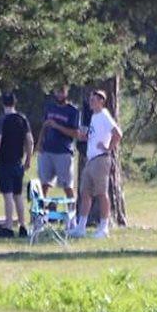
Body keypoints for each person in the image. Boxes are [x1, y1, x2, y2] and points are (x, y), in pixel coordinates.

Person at [46, 89, 122, 239]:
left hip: (101, 158)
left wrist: (108, 148)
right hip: (90, 159)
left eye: (94, 100)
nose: (91, 102)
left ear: (101, 101)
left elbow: (118, 133)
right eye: (90, 100)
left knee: (101, 193)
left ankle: (104, 227)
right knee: (85, 193)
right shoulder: (94, 117)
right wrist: (85, 137)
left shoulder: (104, 115)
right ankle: (81, 227)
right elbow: (94, 136)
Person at [0, 92, 34, 237]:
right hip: (18, 162)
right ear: (15, 103)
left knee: (8, 195)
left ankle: (9, 226)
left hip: (5, 162)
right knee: (18, 195)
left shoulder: (2, 120)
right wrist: (28, 158)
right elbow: (30, 140)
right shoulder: (22, 119)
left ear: (3, 103)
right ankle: (23, 225)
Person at [37, 86, 80, 198]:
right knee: (44, 184)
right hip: (47, 150)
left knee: (67, 186)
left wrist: (57, 126)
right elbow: (45, 126)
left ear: (66, 92)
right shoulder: (49, 108)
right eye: (57, 92)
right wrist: (39, 143)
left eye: (62, 92)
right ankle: (42, 210)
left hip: (63, 152)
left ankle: (72, 212)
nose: (59, 95)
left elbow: (75, 133)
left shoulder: (73, 111)